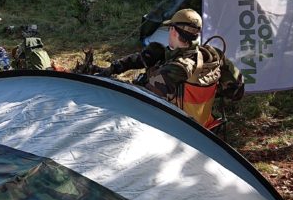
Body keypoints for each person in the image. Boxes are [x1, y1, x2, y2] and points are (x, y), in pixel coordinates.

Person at [97, 8, 246, 118]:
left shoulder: (177, 67)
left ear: (174, 31)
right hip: (205, 124)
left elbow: (140, 99)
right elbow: (237, 91)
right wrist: (206, 89)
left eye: (169, 28)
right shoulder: (213, 54)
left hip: (180, 129)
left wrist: (113, 81)